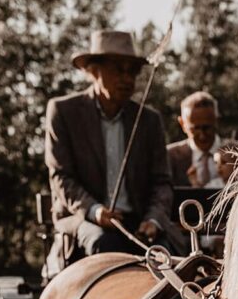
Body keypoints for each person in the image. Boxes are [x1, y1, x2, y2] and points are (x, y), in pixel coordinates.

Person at [44, 30, 173, 269]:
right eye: (117, 69)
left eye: (132, 71)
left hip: (139, 224)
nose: (126, 78)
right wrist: (94, 211)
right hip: (85, 219)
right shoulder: (63, 112)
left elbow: (161, 182)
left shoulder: (149, 120)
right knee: (105, 244)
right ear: (93, 71)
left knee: (169, 254)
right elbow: (61, 176)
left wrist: (154, 219)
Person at [168, 92, 223, 187]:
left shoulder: (236, 154)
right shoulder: (169, 156)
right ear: (182, 124)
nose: (202, 136)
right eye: (195, 129)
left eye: (207, 128)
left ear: (217, 120)